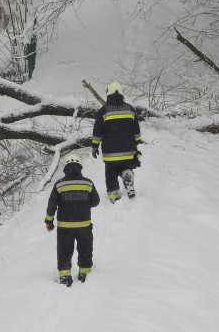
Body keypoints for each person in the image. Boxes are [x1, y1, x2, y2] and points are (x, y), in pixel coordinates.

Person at [44, 154, 101, 286]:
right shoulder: (88, 183)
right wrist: (84, 204)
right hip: (84, 226)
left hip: (65, 227)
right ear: (80, 167)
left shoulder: (59, 184)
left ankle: (65, 276)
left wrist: (49, 222)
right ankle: (84, 273)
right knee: (85, 250)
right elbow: (96, 201)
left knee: (64, 251)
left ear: (66, 168)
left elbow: (52, 205)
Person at [91, 81, 141, 203]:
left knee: (111, 174)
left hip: (110, 153)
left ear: (108, 94)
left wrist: (94, 146)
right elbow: (136, 131)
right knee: (126, 167)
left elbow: (97, 132)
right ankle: (127, 175)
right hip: (128, 151)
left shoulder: (104, 111)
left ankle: (114, 196)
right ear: (122, 94)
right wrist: (136, 143)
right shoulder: (130, 109)